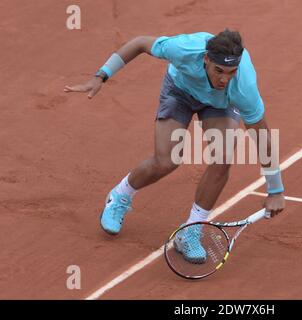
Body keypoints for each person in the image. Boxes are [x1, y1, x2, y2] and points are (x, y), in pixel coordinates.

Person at [64, 29, 286, 263]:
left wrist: (275, 190)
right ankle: (120, 195)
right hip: (180, 92)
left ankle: (191, 231)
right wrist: (101, 75)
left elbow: (262, 137)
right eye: (219, 70)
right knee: (166, 161)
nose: (224, 79)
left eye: (231, 72)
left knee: (223, 158)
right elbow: (139, 42)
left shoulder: (243, 87)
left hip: (220, 104)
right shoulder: (184, 49)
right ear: (206, 59)